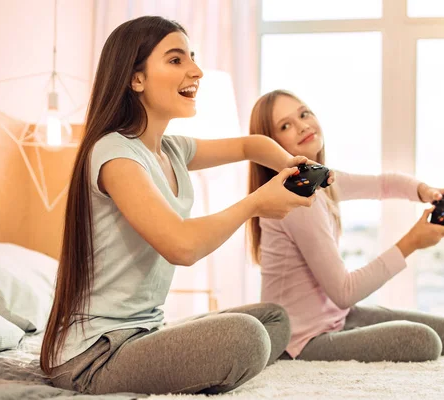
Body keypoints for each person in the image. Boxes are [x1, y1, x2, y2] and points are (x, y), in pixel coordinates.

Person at [40, 17, 331, 396]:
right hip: (94, 356)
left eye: (191, 58)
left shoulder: (172, 149)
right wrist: (256, 203)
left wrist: (293, 165)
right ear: (136, 78)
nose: (196, 70)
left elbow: (250, 145)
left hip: (144, 333)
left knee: (274, 318)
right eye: (176, 60)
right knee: (247, 338)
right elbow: (181, 245)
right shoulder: (114, 153)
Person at [247, 89, 444, 363]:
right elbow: (345, 292)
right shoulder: (295, 201)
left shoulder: (322, 181)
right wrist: (412, 241)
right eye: (285, 126)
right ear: (271, 146)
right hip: (301, 339)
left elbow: (383, 184)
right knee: (422, 341)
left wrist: (427, 191)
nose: (302, 125)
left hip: (338, 318)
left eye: (304, 114)